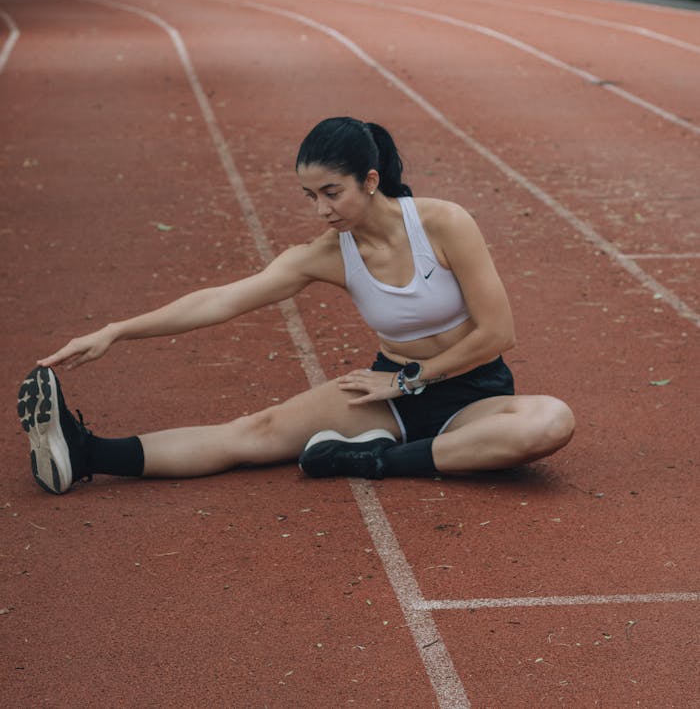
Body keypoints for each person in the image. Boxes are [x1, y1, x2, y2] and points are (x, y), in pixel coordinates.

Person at [17, 117, 574, 494]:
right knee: (254, 433)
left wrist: (411, 379)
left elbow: (498, 333)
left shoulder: (443, 223)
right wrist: (116, 329)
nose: (321, 210)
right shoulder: (325, 255)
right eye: (311, 196)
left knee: (548, 422)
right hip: (387, 392)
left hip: (469, 392)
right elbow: (220, 301)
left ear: (371, 180)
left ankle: (367, 460)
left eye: (332, 192)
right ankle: (86, 455)